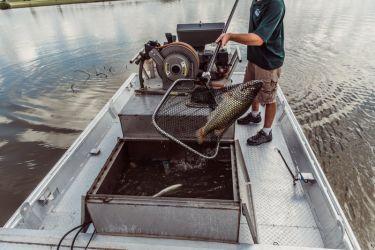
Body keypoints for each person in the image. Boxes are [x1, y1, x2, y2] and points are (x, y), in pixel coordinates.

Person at [216, 0, 285, 146]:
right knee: (250, 89)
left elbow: (259, 39)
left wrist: (230, 36)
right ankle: (255, 116)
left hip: (268, 62)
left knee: (268, 99)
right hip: (254, 57)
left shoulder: (275, 4)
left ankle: (267, 132)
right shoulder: (256, 1)